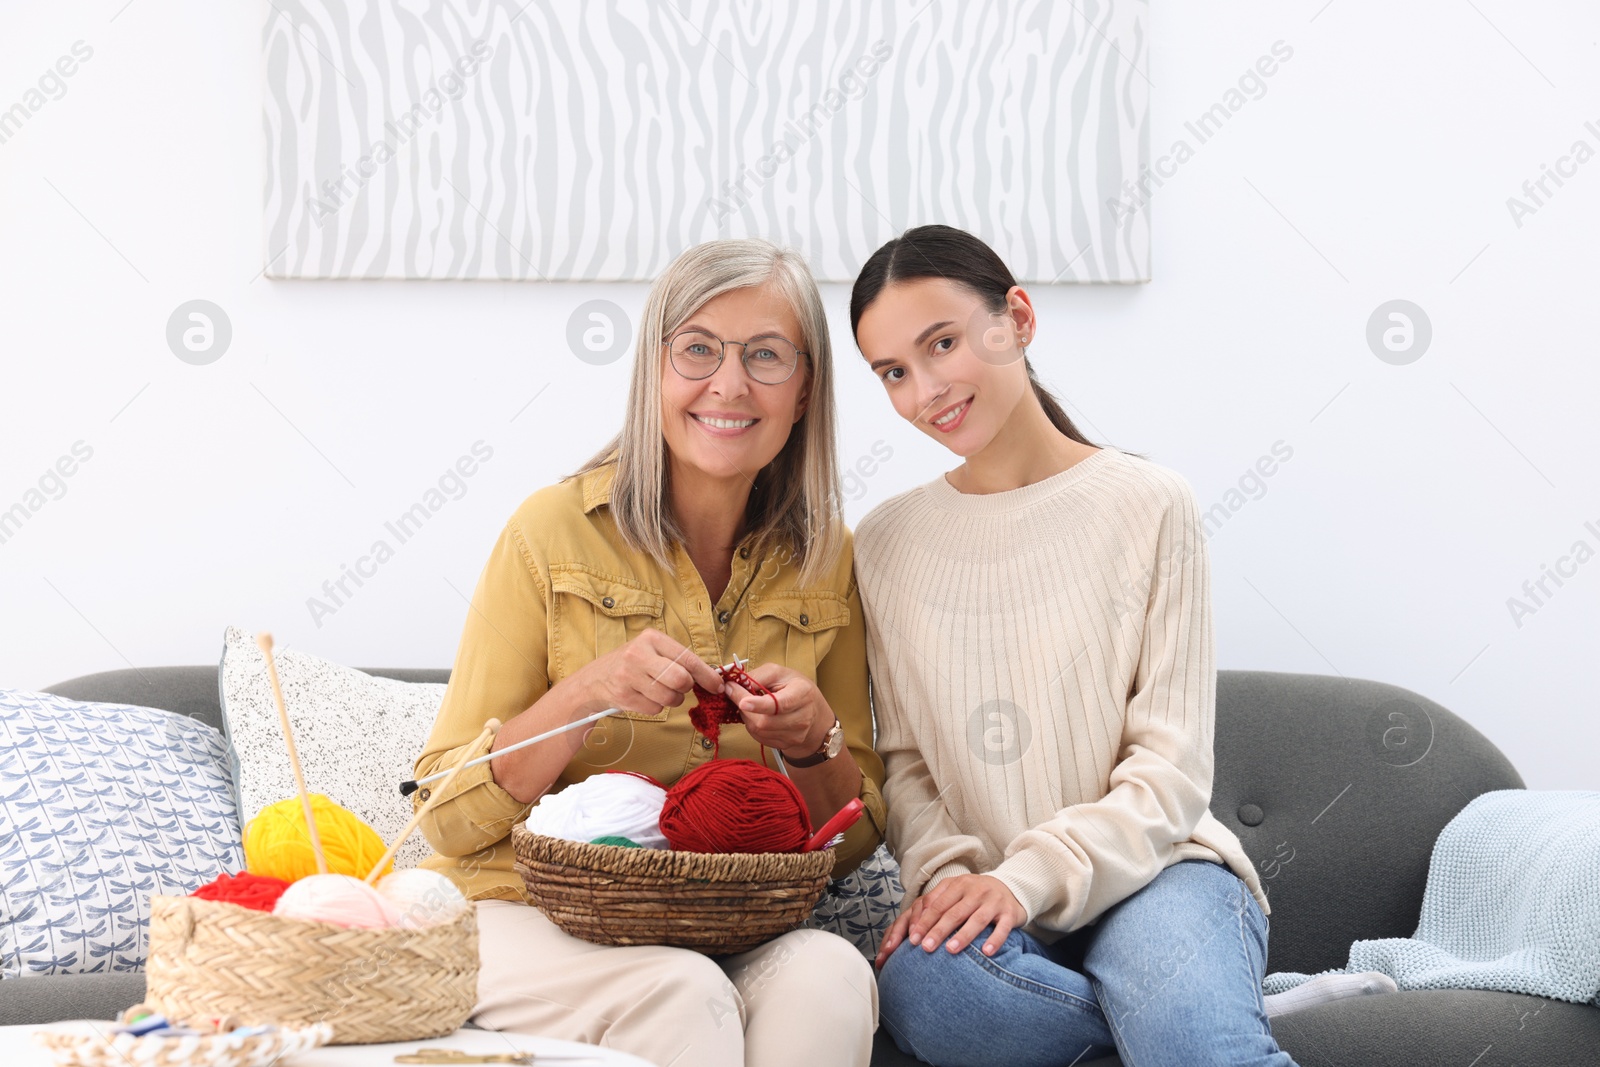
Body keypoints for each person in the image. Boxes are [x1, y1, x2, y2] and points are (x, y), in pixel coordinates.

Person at [849, 225, 1392, 1067]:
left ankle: (1197, 1020)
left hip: (1159, 875)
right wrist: (952, 875)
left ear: (1016, 319)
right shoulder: (883, 542)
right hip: (984, 900)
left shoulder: (1148, 503)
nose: (925, 390)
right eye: (893, 372)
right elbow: (905, 760)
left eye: (942, 344)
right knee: (935, 996)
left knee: (1197, 1044)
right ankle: (1220, 1016)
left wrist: (1025, 876)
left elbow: (1169, 770)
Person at [410, 237, 886, 1067]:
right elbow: (443, 810)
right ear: (653, 372)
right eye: (698, 349)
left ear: (805, 388)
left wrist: (818, 744)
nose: (729, 385)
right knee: (680, 993)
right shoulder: (548, 533)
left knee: (830, 973)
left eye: (766, 355)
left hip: (727, 923)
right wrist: (584, 694)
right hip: (523, 913)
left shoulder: (828, 558)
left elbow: (847, 843)